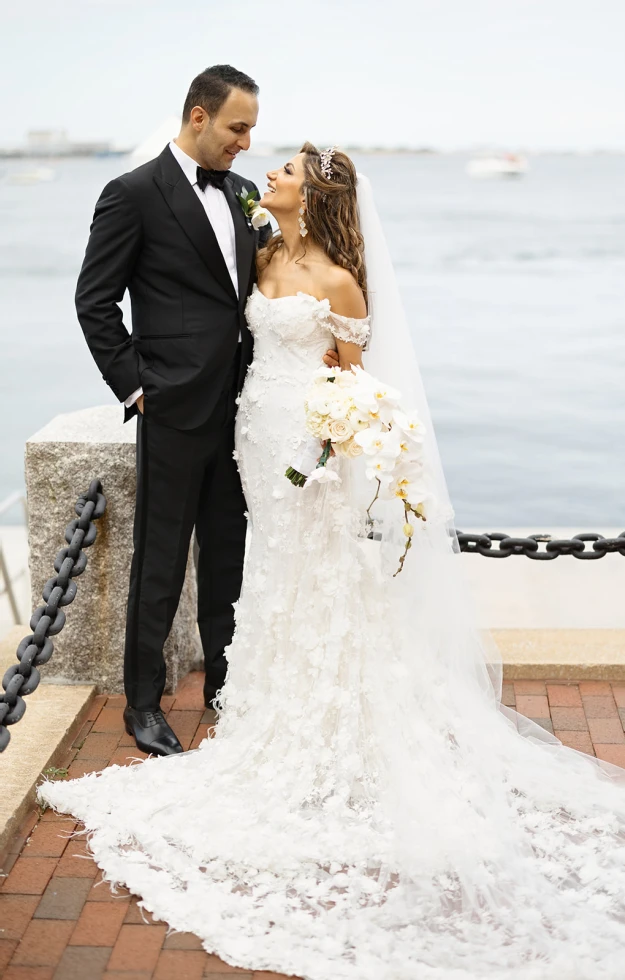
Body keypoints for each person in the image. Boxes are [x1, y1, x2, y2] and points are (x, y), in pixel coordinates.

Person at [41, 144, 625, 979]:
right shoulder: (261, 247)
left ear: (314, 194)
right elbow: (213, 312)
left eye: (287, 167)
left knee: (310, 567)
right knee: (268, 573)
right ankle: (264, 693)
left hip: (306, 441)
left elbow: (358, 380)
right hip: (251, 430)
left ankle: (327, 709)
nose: (270, 171)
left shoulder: (338, 280)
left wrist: (335, 444)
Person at [75, 65, 336, 755]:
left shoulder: (248, 193)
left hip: (246, 411)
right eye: (237, 128)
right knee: (159, 561)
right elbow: (94, 302)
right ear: (198, 117)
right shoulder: (131, 194)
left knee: (230, 552)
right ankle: (143, 703)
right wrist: (136, 388)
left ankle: (225, 681)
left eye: (252, 129)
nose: (247, 143)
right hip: (171, 409)